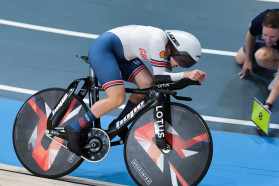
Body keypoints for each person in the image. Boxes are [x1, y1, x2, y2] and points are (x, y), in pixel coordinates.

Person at [65, 25, 207, 155]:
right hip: (104, 50)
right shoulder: (158, 40)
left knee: (147, 83)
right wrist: (187, 75)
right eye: (183, 61)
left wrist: (190, 80)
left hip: (123, 56)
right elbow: (160, 77)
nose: (182, 66)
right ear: (176, 50)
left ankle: (118, 124)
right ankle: (75, 128)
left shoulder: (166, 52)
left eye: (187, 64)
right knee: (117, 98)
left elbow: (164, 83)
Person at [236, 9, 279, 110]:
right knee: (239, 58)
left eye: (272, 36)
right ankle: (266, 46)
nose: (268, 40)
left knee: (261, 57)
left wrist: (268, 104)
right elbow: (250, 36)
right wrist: (248, 60)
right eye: (265, 35)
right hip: (275, 38)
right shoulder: (258, 22)